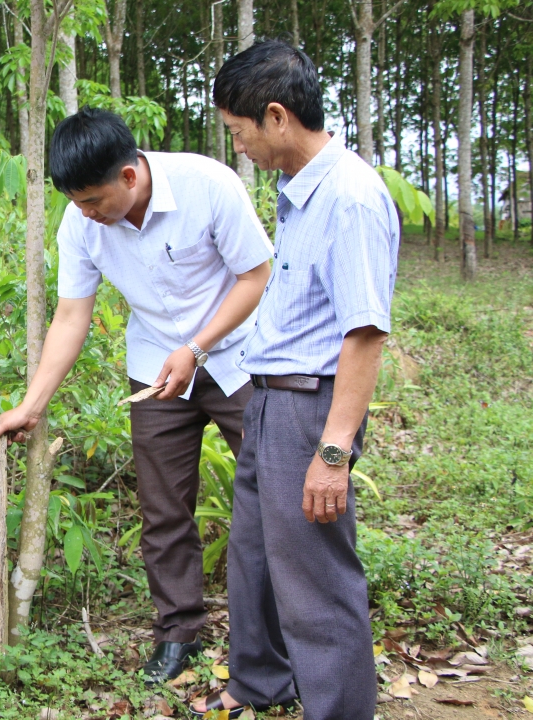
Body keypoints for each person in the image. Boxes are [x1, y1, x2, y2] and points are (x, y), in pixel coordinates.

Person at [0, 108, 273, 686]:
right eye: (76, 202)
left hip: (242, 356)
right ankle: (179, 634)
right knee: (163, 508)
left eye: (93, 200)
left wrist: (196, 345)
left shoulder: (207, 185)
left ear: (130, 176)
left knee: (271, 496)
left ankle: (275, 633)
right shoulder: (80, 223)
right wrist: (32, 403)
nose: (86, 213)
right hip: (155, 368)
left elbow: (256, 276)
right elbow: (71, 316)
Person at [190, 41, 399, 720]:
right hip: (268, 401)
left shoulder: (350, 198)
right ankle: (259, 684)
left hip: (312, 410)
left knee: (314, 583)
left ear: (275, 116)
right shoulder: (298, 193)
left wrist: (333, 454)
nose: (239, 144)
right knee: (253, 558)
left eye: (238, 130)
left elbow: (364, 334)